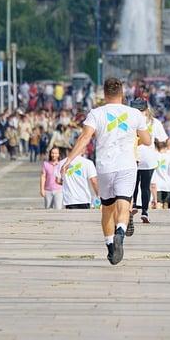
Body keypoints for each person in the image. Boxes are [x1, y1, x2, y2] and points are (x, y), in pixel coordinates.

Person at [61, 77, 150, 265]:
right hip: (127, 165)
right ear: (122, 93)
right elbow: (148, 140)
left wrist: (69, 159)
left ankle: (110, 247)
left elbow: (85, 138)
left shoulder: (96, 113)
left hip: (105, 167)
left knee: (107, 209)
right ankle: (120, 233)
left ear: (104, 93)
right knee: (124, 204)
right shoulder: (135, 114)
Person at [131, 98, 168, 225]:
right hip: (149, 158)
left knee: (133, 185)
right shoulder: (155, 122)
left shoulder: (130, 121)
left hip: (133, 157)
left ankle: (133, 205)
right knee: (145, 186)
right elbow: (163, 139)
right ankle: (145, 212)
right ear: (146, 109)